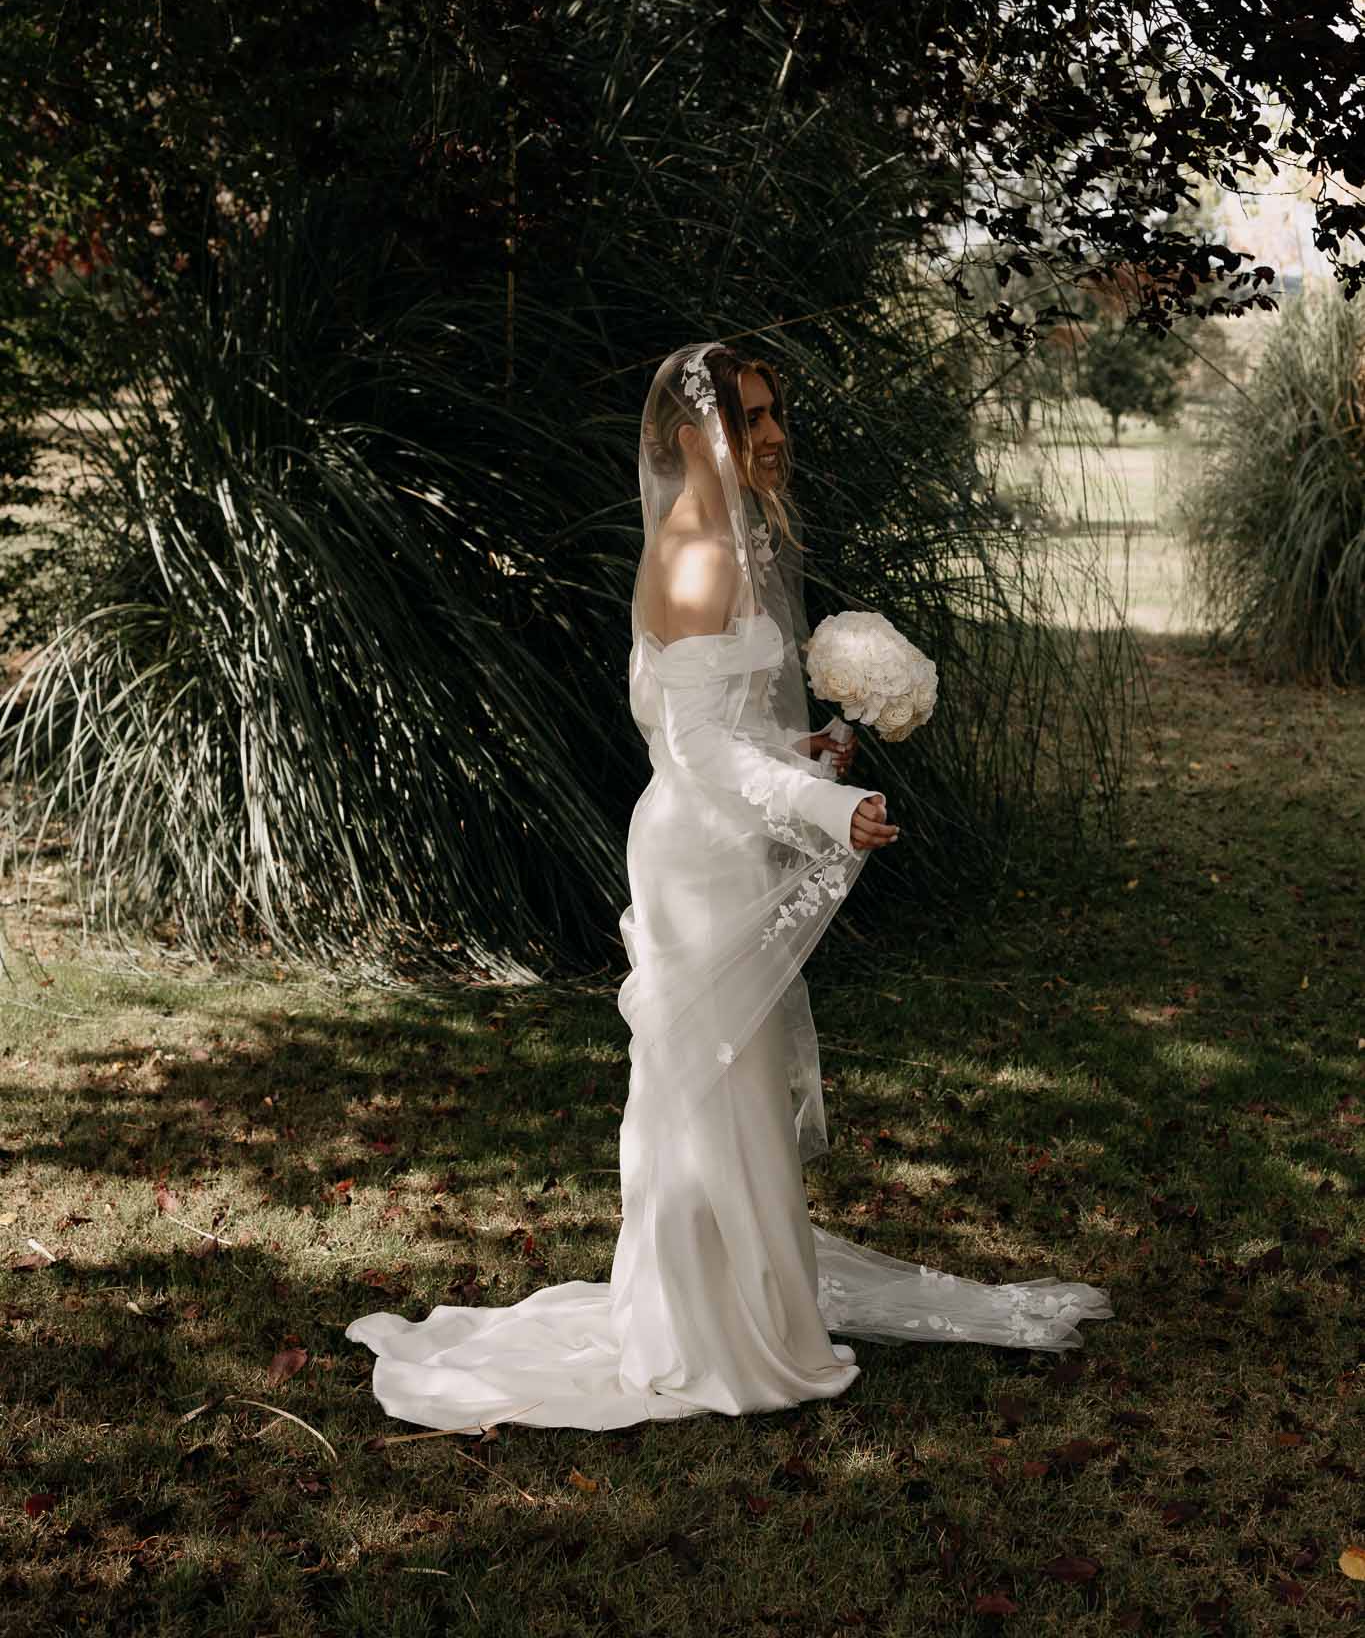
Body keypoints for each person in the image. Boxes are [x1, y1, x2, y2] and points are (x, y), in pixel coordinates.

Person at [344, 339, 1112, 1431]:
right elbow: (696, 754)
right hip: (695, 859)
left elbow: (711, 725)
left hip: (722, 836)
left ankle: (736, 1309)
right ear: (680, 437)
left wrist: (806, 752)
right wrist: (821, 808)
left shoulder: (732, 541)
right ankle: (712, 1334)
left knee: (728, 1083)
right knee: (712, 1085)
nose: (767, 434)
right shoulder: (699, 553)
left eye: (769, 412)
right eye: (743, 416)